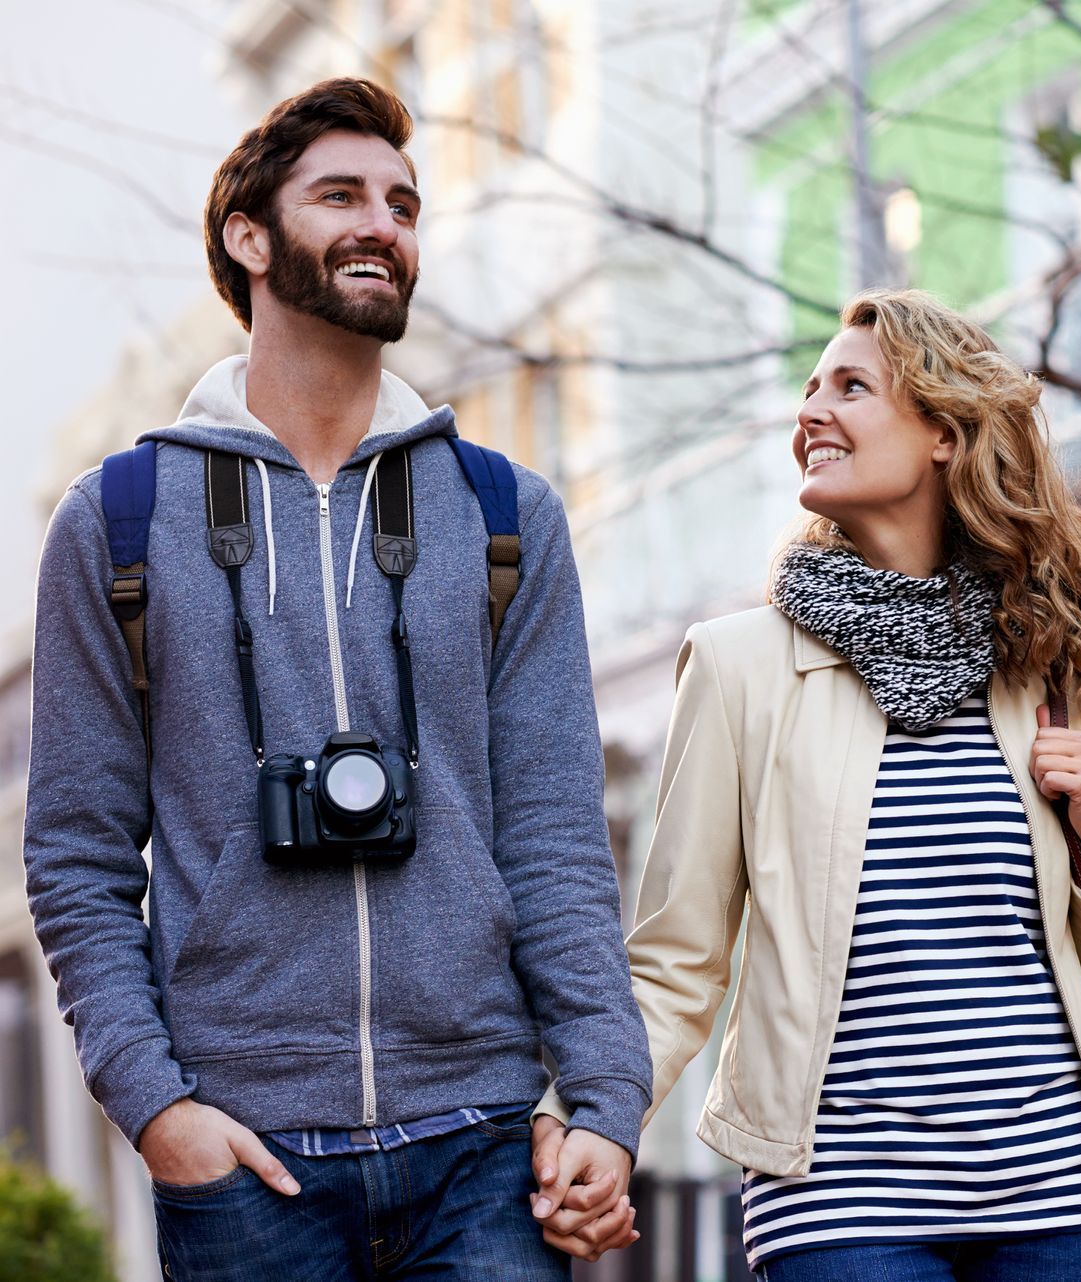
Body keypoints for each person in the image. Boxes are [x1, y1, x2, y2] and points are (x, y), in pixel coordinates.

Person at [23, 77, 646, 1277]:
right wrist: (155, 1105)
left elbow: (560, 838)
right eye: (343, 195)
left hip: (483, 1143)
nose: (385, 224)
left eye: (406, 205)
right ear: (247, 238)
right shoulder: (121, 524)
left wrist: (606, 1097)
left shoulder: (501, 515)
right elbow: (77, 853)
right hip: (247, 1157)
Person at [532, 288, 1081, 1280]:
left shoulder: (1064, 662)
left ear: (946, 433)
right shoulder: (741, 668)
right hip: (840, 1205)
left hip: (1057, 1198)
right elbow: (674, 961)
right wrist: (587, 1118)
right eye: (809, 388)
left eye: (851, 387)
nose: (811, 412)